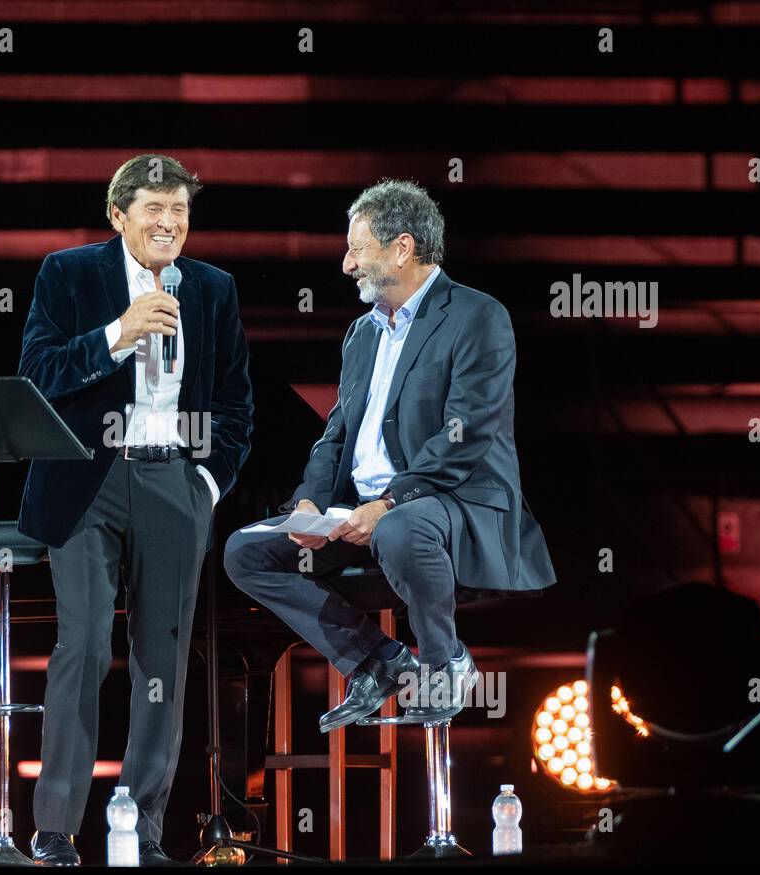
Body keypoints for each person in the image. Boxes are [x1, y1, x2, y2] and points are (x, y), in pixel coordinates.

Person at [224, 179, 554, 731]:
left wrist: (390, 501)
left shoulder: (477, 315)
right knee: (246, 552)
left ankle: (445, 663)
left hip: (454, 499)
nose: (347, 264)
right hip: (369, 509)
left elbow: (466, 432)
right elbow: (336, 435)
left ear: (403, 248)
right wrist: (308, 502)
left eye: (357, 248)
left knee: (400, 529)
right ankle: (378, 661)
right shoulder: (362, 334)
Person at [18, 154, 253, 864]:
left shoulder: (213, 288)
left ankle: (142, 834)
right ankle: (56, 829)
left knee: (163, 661)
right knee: (84, 646)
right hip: (87, 481)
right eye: (154, 209)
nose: (169, 224)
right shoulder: (69, 273)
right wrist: (117, 335)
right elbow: (36, 374)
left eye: (179, 212)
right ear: (118, 216)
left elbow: (237, 404)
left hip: (173, 483)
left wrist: (205, 487)